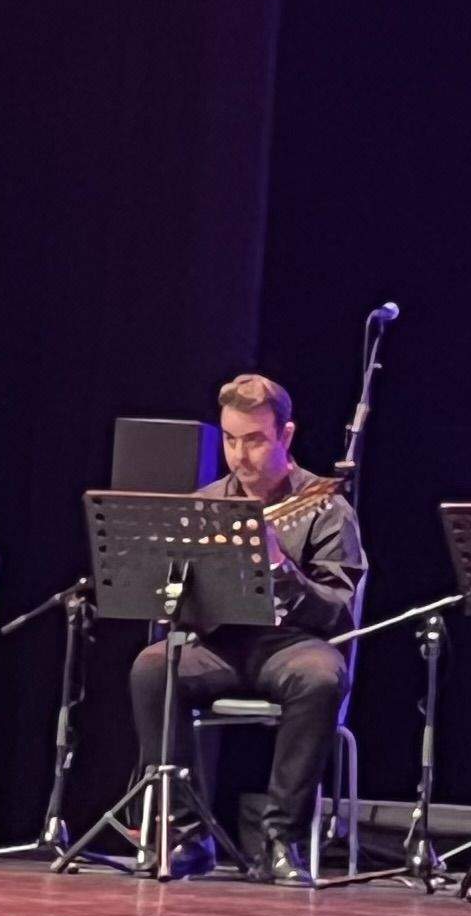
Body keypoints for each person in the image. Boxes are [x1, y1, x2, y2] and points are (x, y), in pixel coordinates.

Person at [124, 373, 363, 886]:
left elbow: (338, 610)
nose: (240, 454)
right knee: (152, 666)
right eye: (231, 439)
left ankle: (282, 841)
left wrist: (280, 567)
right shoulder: (205, 503)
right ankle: (186, 836)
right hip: (221, 645)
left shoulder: (327, 508)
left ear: (286, 436)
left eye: (254, 439)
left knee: (320, 679)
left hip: (293, 645)